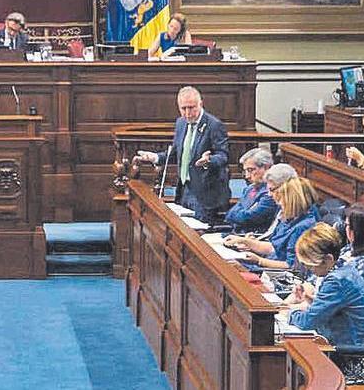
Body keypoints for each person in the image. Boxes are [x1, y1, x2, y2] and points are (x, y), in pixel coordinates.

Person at [285, 224, 364, 384]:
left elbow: (308, 322)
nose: (309, 270)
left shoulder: (337, 281)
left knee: (299, 374)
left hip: (356, 362)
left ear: (328, 259)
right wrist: (312, 302)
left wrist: (288, 313)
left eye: (311, 265)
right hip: (353, 352)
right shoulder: (343, 267)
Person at [136, 86, 230, 221]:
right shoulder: (181, 123)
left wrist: (209, 161)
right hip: (184, 189)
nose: (187, 113)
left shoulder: (214, 125)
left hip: (205, 192)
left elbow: (223, 156)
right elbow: (176, 153)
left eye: (191, 108)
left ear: (201, 104)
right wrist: (155, 157)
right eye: (183, 108)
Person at [223, 176, 320, 269]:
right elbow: (272, 248)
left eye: (282, 200)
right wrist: (244, 241)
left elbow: (292, 266)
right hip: (266, 263)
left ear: (293, 201)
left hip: (275, 273)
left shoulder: (303, 227)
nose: (279, 204)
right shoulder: (288, 219)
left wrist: (259, 261)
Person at [224, 148, 277, 234]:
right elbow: (229, 214)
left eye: (251, 170)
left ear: (267, 168)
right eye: (245, 171)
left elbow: (248, 218)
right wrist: (242, 214)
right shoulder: (249, 189)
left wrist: (240, 214)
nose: (247, 176)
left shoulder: (271, 193)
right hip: (236, 235)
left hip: (253, 238)